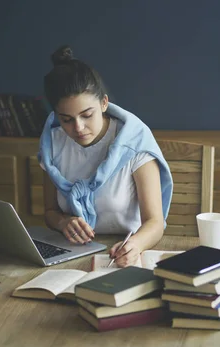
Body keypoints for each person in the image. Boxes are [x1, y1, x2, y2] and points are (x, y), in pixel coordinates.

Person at [38, 45, 173, 267]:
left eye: (87, 115)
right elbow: (50, 212)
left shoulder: (134, 143)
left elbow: (155, 222)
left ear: (103, 103)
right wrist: (63, 222)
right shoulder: (52, 144)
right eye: (66, 119)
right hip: (72, 253)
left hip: (125, 253)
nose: (78, 128)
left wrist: (136, 245)